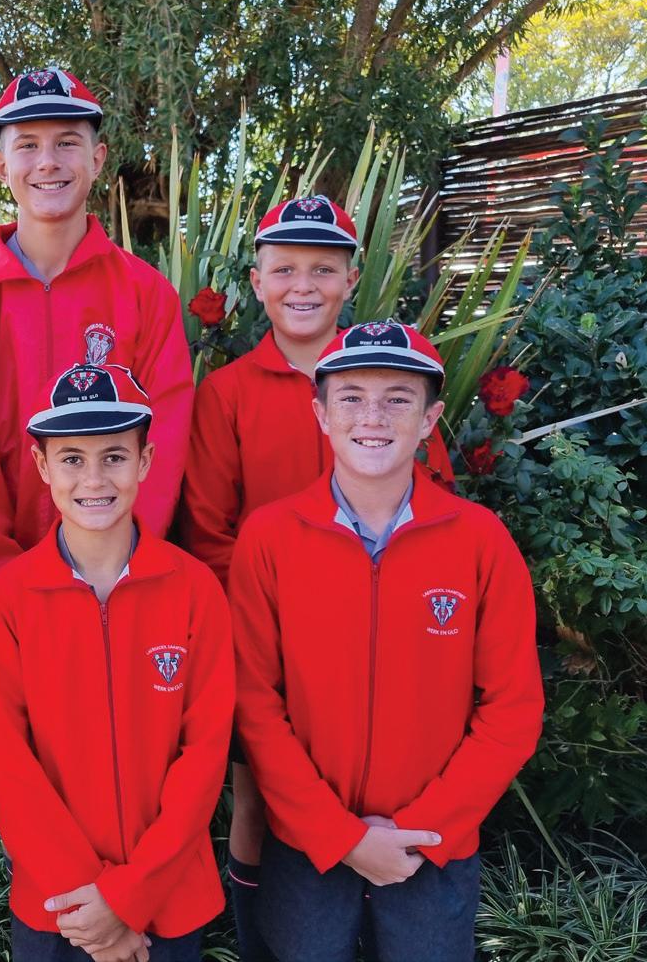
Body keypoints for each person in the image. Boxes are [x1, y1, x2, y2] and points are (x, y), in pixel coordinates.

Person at [230, 321, 544, 962]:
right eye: (351, 397)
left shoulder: (480, 541)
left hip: (431, 849)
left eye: (397, 398)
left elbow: (512, 709)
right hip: (308, 846)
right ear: (320, 414)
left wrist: (423, 828)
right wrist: (338, 834)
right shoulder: (270, 538)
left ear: (429, 419)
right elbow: (253, 702)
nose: (372, 416)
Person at [0, 359, 233, 962]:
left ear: (145, 461)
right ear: (43, 466)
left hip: (168, 898)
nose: (93, 478)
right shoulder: (11, 597)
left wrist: (129, 894)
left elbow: (203, 756)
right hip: (58, 905)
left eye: (114, 456)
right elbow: (10, 761)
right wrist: (88, 900)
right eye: (72, 458)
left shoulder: (194, 590)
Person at [0, 68, 193, 593]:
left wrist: (118, 564)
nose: (47, 161)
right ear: (1, 166)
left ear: (97, 159)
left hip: (119, 580)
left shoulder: (146, 293)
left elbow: (162, 441)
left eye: (67, 142)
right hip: (0, 591)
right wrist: (1, 581)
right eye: (28, 145)